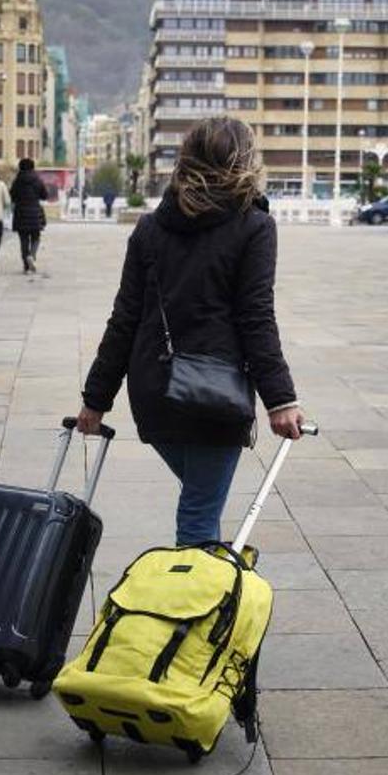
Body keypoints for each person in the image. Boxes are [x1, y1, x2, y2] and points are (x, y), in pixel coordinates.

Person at [77, 116, 305, 547]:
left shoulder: (150, 228)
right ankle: (186, 611)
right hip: (212, 396)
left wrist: (96, 400)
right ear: (243, 160)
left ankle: (208, 598)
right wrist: (281, 401)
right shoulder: (254, 226)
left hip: (154, 393)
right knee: (200, 516)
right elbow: (256, 316)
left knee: (202, 500)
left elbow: (124, 318)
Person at [10, 157, 48, 274]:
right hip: (35, 212)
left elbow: (12, 196)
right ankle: (32, 255)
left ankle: (26, 266)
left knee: (23, 239)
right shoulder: (37, 180)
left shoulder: (17, 181)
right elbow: (44, 195)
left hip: (21, 212)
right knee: (36, 237)